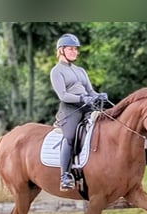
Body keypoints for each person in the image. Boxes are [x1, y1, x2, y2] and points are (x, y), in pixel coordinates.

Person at [50, 33, 108, 191]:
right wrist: (82, 98)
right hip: (70, 110)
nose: (75, 52)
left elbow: (90, 90)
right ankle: (65, 176)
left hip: (87, 107)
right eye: (71, 49)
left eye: (76, 49)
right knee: (70, 137)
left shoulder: (80, 70)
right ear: (61, 50)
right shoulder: (57, 71)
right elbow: (63, 95)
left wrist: (99, 96)